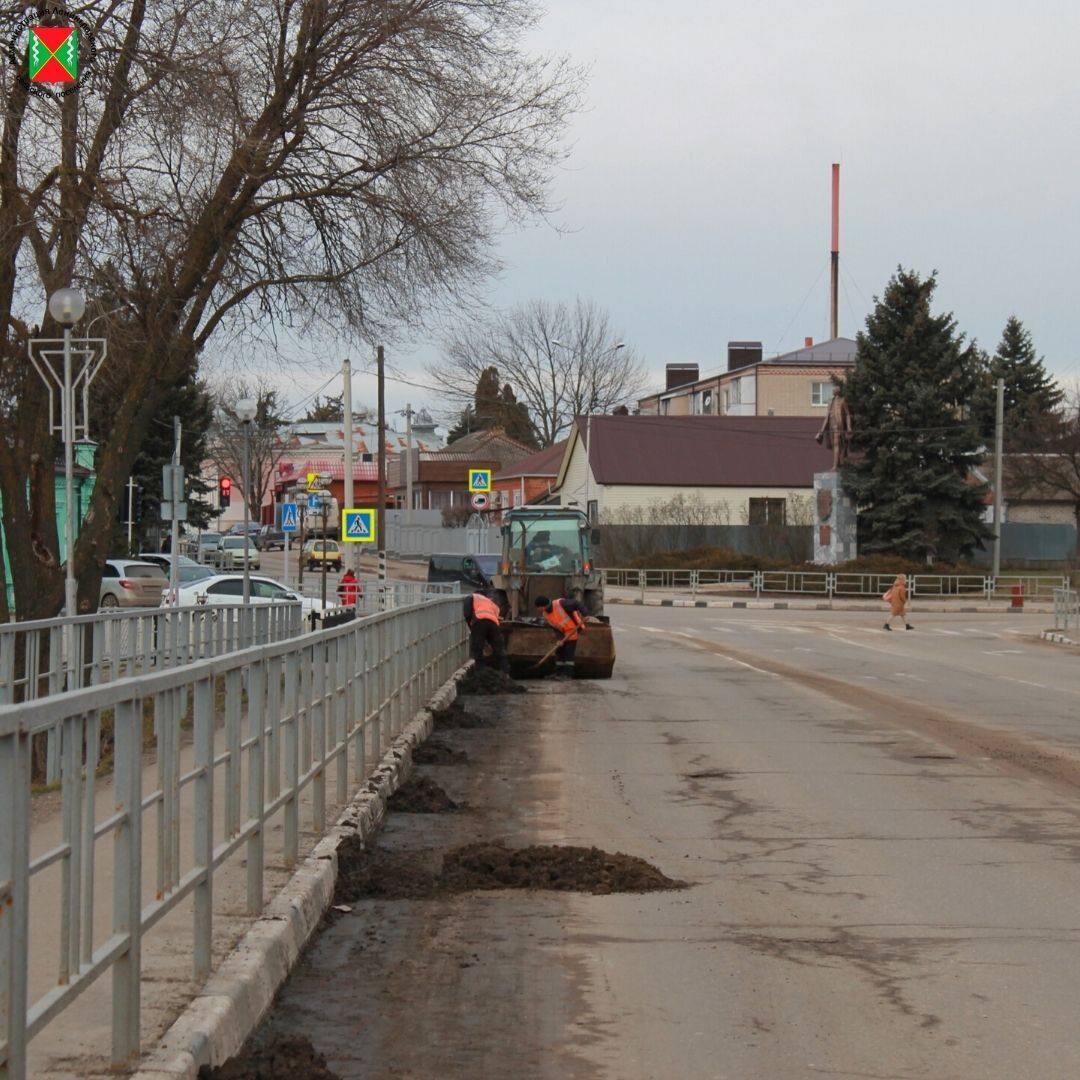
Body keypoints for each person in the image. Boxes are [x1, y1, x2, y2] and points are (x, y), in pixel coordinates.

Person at [534, 593, 588, 677]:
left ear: (544, 605)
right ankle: (558, 673)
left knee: (568, 655)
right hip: (562, 633)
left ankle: (568, 674)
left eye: (538, 608)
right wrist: (559, 639)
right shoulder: (545, 614)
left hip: (572, 632)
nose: (538, 610)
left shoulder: (561, 604)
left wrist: (585, 614)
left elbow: (577, 603)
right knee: (559, 652)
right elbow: (555, 627)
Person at [463, 586, 508, 672]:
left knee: (478, 646)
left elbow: (467, 613)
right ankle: (504, 670)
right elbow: (497, 615)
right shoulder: (491, 602)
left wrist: (471, 626)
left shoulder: (471, 597)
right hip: (493, 623)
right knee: (498, 646)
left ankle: (480, 670)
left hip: (479, 620)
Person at [814, 386, 854, 470]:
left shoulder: (842, 401)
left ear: (837, 391)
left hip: (838, 425)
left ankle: (835, 466)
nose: (832, 391)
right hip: (831, 425)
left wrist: (849, 427)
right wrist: (822, 430)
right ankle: (838, 463)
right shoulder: (830, 402)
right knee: (834, 445)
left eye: (834, 389)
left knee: (836, 444)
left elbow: (847, 414)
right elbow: (827, 416)